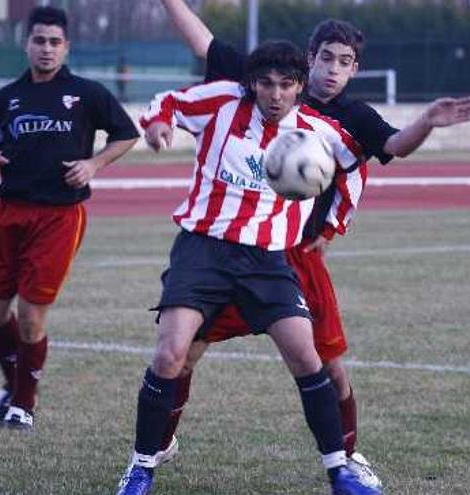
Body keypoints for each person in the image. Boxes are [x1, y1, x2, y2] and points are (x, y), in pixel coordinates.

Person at [156, 0, 470, 489]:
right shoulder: (272, 84)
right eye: (326, 58)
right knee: (185, 351)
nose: (333, 70)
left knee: (327, 363)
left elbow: (392, 146)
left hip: (296, 258)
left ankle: (347, 458)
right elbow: (203, 42)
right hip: (235, 246)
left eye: (344, 62)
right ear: (309, 60)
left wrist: (427, 123)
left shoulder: (353, 117)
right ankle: (161, 440)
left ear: (356, 69)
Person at [116, 40, 379, 495]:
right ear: (252, 84)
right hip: (203, 250)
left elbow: (356, 162)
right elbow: (168, 103)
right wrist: (158, 125)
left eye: (286, 85)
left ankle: (339, 473)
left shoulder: (316, 128)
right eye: (266, 84)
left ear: (299, 87)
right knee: (170, 354)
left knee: (306, 356)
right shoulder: (222, 103)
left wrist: (334, 222)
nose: (275, 95)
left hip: (267, 260)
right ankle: (141, 469)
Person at [0, 6, 139, 430]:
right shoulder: (7, 97)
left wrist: (94, 164)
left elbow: (126, 134)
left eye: (54, 42)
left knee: (31, 316)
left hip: (58, 216)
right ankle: (13, 384)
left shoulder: (87, 93)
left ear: (66, 48)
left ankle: (23, 405)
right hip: (9, 211)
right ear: (26, 43)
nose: (46, 49)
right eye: (39, 40)